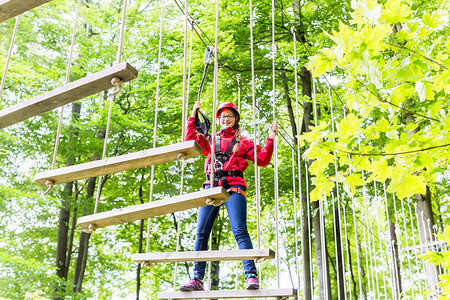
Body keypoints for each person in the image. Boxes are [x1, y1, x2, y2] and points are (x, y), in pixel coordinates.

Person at [179, 101, 278, 291]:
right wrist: (194, 113)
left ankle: (251, 276)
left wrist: (270, 137)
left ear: (235, 120)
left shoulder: (243, 142)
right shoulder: (209, 139)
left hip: (234, 187)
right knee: (201, 233)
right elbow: (189, 139)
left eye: (230, 116)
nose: (226, 119)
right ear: (218, 119)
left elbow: (263, 159)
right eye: (223, 116)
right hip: (211, 187)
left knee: (240, 230)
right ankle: (197, 279)